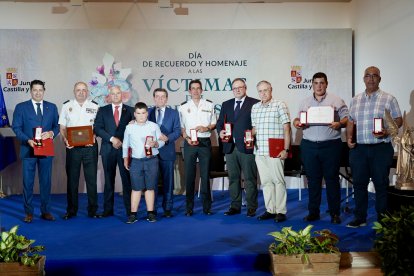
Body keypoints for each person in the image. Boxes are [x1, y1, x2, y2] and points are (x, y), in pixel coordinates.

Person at [346, 66, 402, 228]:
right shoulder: (355, 100)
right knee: (359, 184)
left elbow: (398, 120)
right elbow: (350, 120)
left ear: (379, 79)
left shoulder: (389, 99)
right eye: (367, 76)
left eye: (374, 76)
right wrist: (349, 138)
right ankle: (360, 217)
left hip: (381, 148)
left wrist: (387, 131)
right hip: (359, 149)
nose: (371, 79)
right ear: (364, 79)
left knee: (381, 184)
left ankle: (383, 219)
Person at [293, 72, 349, 224]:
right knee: (313, 180)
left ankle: (335, 213)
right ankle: (313, 212)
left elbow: (347, 118)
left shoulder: (336, 100)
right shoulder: (304, 102)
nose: (319, 86)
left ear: (326, 84)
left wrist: (339, 123)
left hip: (331, 145)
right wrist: (297, 123)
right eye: (316, 83)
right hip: (309, 145)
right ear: (312, 84)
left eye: (322, 83)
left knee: (331, 180)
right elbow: (297, 119)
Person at [12, 79, 59, 223]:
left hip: (46, 149)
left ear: (44, 91)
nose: (38, 93)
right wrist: (28, 140)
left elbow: (57, 126)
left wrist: (51, 133)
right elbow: (16, 128)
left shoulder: (52, 107)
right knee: (28, 182)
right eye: (35, 90)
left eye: (40, 90)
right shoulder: (21, 107)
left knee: (46, 181)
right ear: (30, 91)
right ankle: (29, 212)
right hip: (28, 148)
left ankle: (46, 211)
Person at [216, 78, 259, 217]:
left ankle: (252, 207)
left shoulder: (255, 103)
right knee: (233, 178)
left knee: (250, 178)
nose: (237, 90)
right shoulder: (226, 104)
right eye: (234, 88)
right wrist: (220, 131)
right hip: (230, 147)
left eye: (240, 87)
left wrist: (254, 131)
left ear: (245, 88)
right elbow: (219, 123)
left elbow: (258, 123)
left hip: (247, 146)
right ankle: (235, 206)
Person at [59, 82, 101, 219]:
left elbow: (99, 127)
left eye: (84, 90)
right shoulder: (66, 106)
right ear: (74, 91)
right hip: (73, 149)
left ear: (87, 91)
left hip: (90, 148)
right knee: (72, 180)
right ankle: (71, 210)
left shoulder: (95, 106)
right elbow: (63, 127)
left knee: (91, 180)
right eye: (78, 90)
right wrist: (65, 140)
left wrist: (94, 136)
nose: (81, 92)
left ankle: (93, 210)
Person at [251, 80, 291, 223]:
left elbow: (287, 128)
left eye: (265, 90)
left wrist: (286, 149)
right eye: (260, 91)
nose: (263, 93)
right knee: (266, 182)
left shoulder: (280, 104)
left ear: (271, 89)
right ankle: (270, 209)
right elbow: (254, 129)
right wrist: (248, 135)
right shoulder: (255, 107)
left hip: (276, 151)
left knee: (278, 181)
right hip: (259, 151)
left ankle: (280, 211)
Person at [94, 85, 134, 218]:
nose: (116, 96)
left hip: (125, 151)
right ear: (109, 96)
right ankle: (107, 210)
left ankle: (130, 211)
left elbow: (134, 130)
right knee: (108, 180)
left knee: (127, 181)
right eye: (113, 93)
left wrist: (121, 141)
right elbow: (97, 128)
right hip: (108, 149)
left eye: (118, 93)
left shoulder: (130, 110)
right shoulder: (103, 110)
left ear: (122, 95)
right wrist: (112, 139)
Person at [178, 79, 217, 216]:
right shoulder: (183, 106)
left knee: (205, 175)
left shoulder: (209, 105)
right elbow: (182, 127)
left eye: (198, 88)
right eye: (193, 88)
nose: (195, 91)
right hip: (189, 143)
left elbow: (213, 124)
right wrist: (186, 138)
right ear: (189, 91)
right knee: (189, 176)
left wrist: (206, 127)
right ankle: (189, 208)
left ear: (202, 90)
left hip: (205, 142)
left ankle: (207, 208)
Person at [123, 102, 165, 224]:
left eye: (143, 113)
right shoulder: (129, 127)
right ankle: (133, 214)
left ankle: (151, 213)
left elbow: (161, 141)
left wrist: (156, 144)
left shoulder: (154, 126)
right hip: (136, 161)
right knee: (136, 188)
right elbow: (125, 145)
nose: (141, 116)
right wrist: (126, 159)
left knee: (150, 188)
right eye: (138, 113)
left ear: (147, 113)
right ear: (134, 114)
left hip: (151, 160)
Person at [148, 88, 181, 218]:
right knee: (152, 183)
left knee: (168, 182)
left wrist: (168, 138)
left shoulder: (174, 113)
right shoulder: (148, 113)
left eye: (163, 97)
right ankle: (153, 209)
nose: (160, 99)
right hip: (152, 153)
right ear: (154, 98)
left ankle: (167, 208)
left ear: (166, 99)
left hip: (167, 152)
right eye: (157, 96)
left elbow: (178, 131)